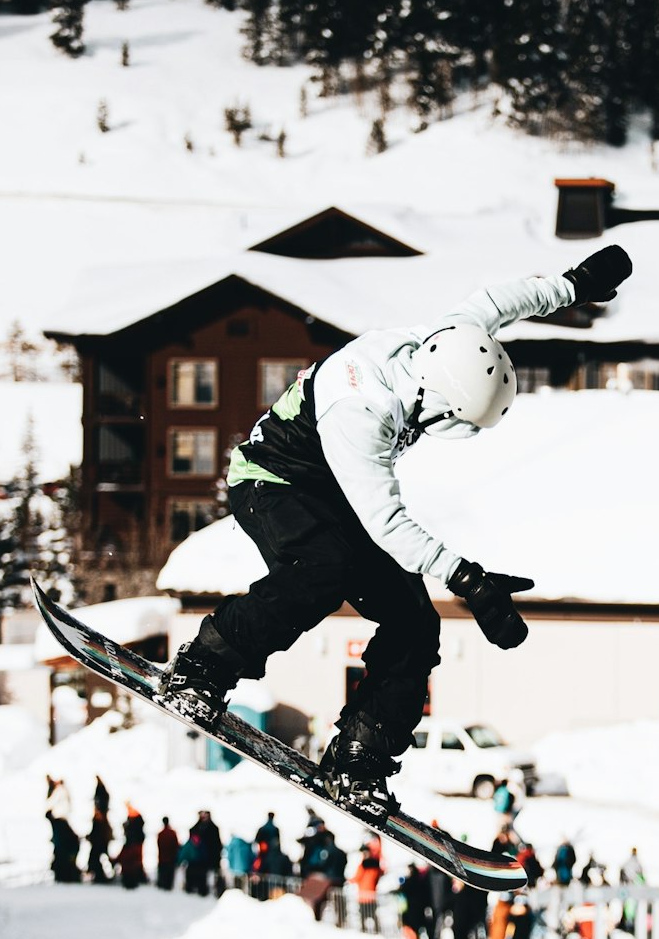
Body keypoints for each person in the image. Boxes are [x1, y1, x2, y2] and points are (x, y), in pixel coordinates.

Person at [158, 247, 633, 823]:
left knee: (415, 620)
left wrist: (573, 285)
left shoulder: (452, 338)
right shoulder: (361, 407)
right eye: (457, 422)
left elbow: (501, 301)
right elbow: (385, 522)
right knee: (320, 570)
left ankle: (361, 753)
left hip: (338, 494)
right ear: (438, 402)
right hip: (273, 480)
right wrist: (468, 579)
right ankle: (204, 668)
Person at [115, 804, 148, 890]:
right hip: (132, 874)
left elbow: (121, 857)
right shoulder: (134, 845)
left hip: (129, 874)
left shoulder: (129, 846)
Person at [45, 806, 81, 883]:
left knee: (64, 867)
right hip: (64, 850)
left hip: (66, 850)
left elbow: (66, 838)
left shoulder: (58, 823)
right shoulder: (58, 823)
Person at [85, 803, 113, 883]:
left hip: (100, 844)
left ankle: (99, 875)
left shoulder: (101, 822)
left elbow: (99, 834)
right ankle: (99, 875)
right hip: (99, 844)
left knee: (96, 859)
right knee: (96, 860)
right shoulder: (99, 822)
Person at [156, 816, 179, 889]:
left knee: (162, 874)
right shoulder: (172, 833)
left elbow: (159, 845)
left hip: (162, 858)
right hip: (171, 858)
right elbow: (176, 845)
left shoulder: (160, 834)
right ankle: (168, 886)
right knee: (169, 875)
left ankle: (162, 884)